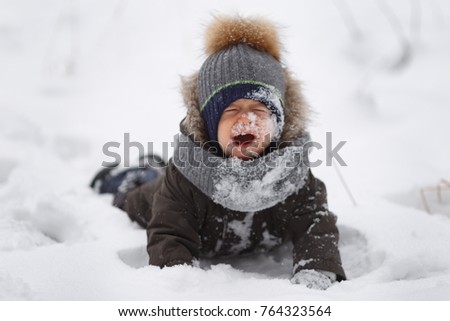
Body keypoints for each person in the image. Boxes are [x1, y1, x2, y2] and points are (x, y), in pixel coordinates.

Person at [91, 15, 346, 290]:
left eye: (260, 110)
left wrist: (317, 268)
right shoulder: (187, 175)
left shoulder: (292, 172)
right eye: (231, 111)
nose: (246, 120)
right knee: (138, 198)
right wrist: (177, 277)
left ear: (279, 121)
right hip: (161, 199)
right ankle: (134, 175)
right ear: (211, 124)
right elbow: (168, 233)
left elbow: (315, 224)